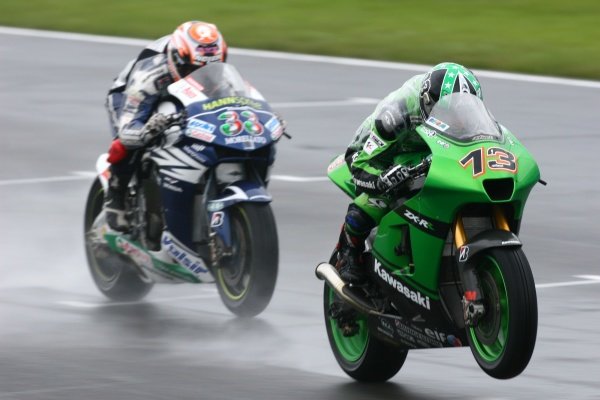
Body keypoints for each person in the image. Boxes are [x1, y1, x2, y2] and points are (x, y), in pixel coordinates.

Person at [336, 62, 483, 283]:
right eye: (447, 113)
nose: (457, 121)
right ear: (427, 102)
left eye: (462, 113)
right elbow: (360, 161)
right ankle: (347, 254)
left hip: (429, 150)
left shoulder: (465, 114)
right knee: (382, 196)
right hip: (379, 153)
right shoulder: (398, 113)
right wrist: (382, 179)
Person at [103, 21, 228, 231]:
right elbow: (128, 130)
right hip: (130, 95)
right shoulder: (151, 75)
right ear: (176, 60)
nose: (202, 73)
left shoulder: (214, 72)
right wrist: (147, 130)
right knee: (128, 143)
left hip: (177, 95)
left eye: (211, 67)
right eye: (192, 69)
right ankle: (117, 193)